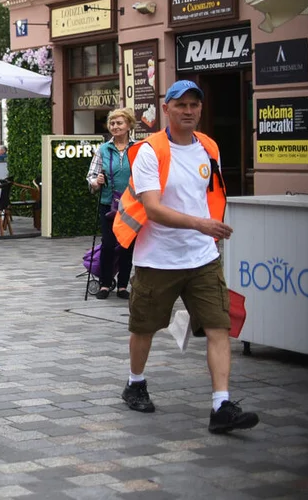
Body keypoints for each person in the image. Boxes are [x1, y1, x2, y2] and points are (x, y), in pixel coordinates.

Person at [113, 80, 257, 434]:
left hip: (202, 257)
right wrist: (201, 224)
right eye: (181, 105)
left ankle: (221, 405)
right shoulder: (151, 151)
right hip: (157, 258)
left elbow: (206, 196)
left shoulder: (209, 147)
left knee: (218, 327)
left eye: (195, 105)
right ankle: (135, 382)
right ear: (167, 109)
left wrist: (209, 232)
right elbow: (153, 209)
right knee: (144, 328)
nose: (189, 111)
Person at [87, 108, 136, 299]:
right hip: (108, 204)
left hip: (131, 205)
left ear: (129, 125)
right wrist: (95, 181)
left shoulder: (138, 148)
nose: (115, 127)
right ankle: (105, 284)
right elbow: (91, 176)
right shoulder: (103, 150)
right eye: (112, 123)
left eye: (119, 123)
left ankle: (123, 285)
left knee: (127, 245)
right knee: (108, 244)